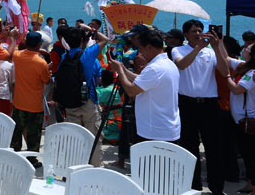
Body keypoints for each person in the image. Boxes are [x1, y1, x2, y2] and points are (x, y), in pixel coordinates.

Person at [171, 20, 229, 195]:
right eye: (193, 31)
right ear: (186, 35)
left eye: (200, 31)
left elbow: (225, 71)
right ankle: (193, 184)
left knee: (214, 146)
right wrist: (198, 48)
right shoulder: (178, 50)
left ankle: (216, 186)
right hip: (186, 103)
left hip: (209, 104)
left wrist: (217, 47)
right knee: (189, 146)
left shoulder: (210, 52)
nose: (198, 34)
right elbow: (182, 65)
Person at [213, 38, 255, 195]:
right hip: (241, 120)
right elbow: (226, 59)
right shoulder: (245, 66)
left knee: (251, 156)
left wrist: (227, 76)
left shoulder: (253, 74)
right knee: (247, 154)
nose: (245, 49)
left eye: (248, 49)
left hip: (249, 122)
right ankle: (250, 184)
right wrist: (219, 42)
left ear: (254, 56)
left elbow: (236, 90)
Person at [111, 28, 180, 143]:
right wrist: (124, 69)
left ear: (149, 47)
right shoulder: (168, 63)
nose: (140, 52)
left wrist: (120, 72)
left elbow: (131, 91)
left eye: (140, 48)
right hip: (164, 127)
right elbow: (143, 81)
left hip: (155, 131)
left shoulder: (154, 68)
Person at [56, 26, 109, 166]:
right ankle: (95, 169)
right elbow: (105, 39)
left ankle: (75, 167)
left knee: (75, 139)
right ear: (82, 40)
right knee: (94, 138)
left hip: (70, 103)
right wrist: (90, 29)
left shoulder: (65, 57)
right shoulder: (88, 54)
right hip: (88, 102)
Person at [10, 31, 51, 167]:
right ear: (39, 44)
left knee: (17, 132)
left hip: (19, 102)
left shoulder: (17, 56)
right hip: (35, 105)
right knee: (34, 134)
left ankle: (14, 155)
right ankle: (32, 159)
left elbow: (16, 51)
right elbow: (46, 80)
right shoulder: (41, 63)